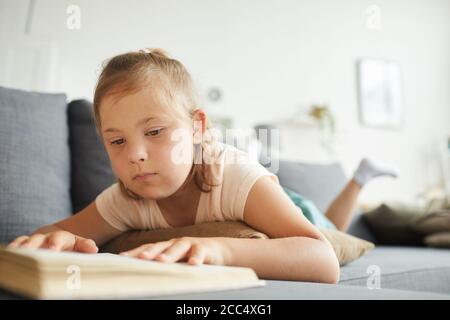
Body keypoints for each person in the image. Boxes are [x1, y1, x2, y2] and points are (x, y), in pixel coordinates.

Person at [6, 48, 390, 284]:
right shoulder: (125, 198)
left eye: (155, 131)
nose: (135, 155)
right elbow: (50, 233)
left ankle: (359, 180)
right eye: (117, 141)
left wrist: (217, 250)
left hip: (284, 202)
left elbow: (322, 259)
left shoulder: (238, 177)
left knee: (330, 228)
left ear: (197, 127)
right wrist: (60, 240)